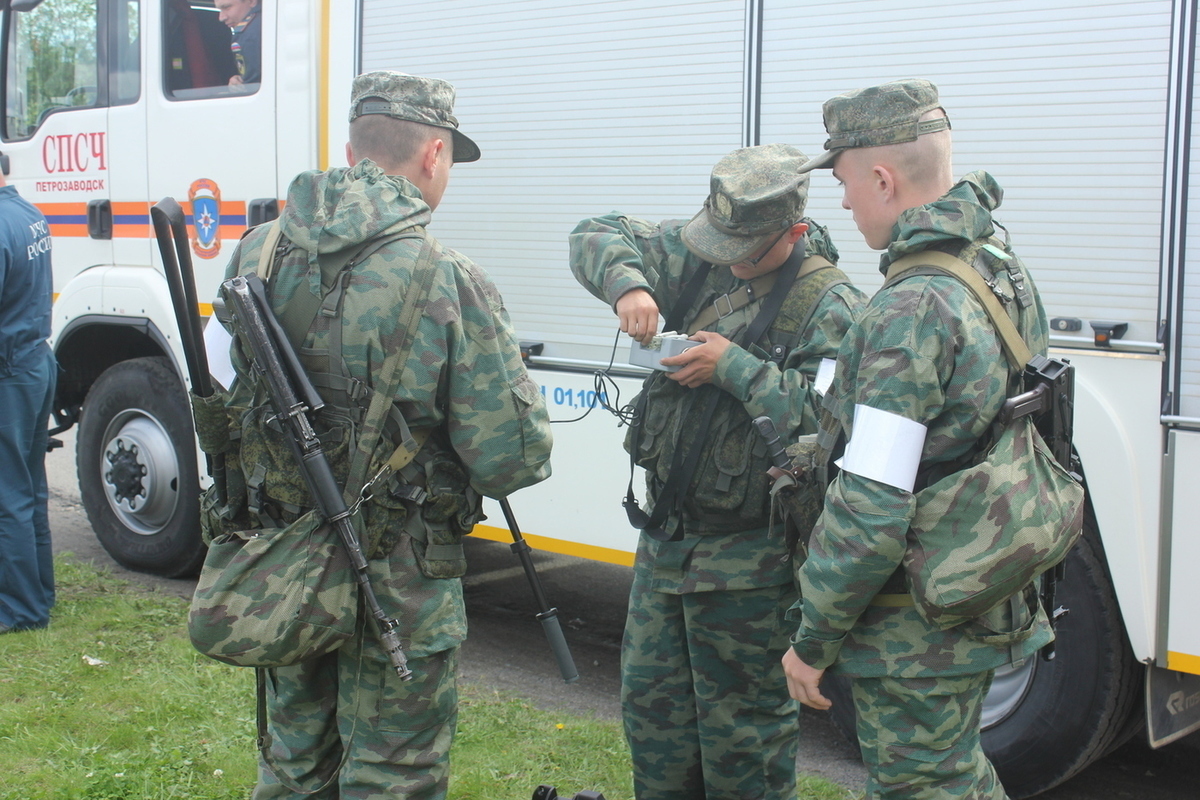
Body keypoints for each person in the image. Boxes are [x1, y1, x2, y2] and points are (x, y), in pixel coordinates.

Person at [212, 70, 552, 798]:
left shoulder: (257, 253)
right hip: (399, 574)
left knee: (294, 766)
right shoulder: (445, 277)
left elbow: (226, 395)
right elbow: (511, 457)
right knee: (392, 776)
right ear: (433, 155)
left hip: (285, 556)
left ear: (350, 148)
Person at [781, 79, 1054, 799]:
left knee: (923, 786)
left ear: (881, 178)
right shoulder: (995, 264)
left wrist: (812, 641)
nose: (842, 203)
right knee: (952, 777)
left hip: (915, 628)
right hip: (979, 588)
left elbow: (872, 501)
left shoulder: (911, 307)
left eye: (843, 183)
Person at [570, 143, 865, 800]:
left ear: (791, 232)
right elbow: (594, 233)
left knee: (744, 747)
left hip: (749, 571)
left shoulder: (830, 305)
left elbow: (831, 433)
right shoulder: (704, 260)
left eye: (744, 246)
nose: (726, 254)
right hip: (666, 549)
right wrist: (630, 284)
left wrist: (736, 370)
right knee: (654, 725)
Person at [0, 169, 57, 635]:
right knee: (31, 490)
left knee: (8, 496)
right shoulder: (27, 213)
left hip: (10, 373)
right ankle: (39, 592)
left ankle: (20, 610)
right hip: (36, 361)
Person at [215, 0, 261, 86]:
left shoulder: (250, 33)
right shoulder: (267, 21)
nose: (221, 17)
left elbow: (251, 87)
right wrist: (239, 79)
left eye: (226, 7)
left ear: (251, 1)